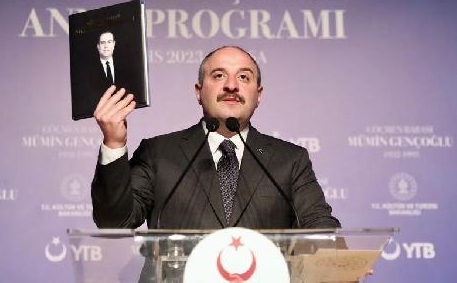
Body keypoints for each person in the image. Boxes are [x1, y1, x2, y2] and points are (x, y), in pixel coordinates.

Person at [91, 46, 340, 229]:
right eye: (219, 75)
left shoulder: (290, 160)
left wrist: (337, 258)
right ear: (199, 92)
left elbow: (319, 226)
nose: (231, 85)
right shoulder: (158, 153)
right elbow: (116, 221)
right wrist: (114, 143)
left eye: (244, 77)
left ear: (259, 95)